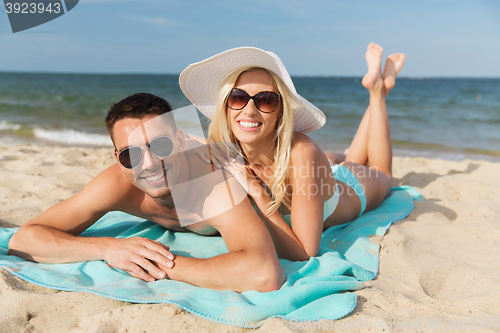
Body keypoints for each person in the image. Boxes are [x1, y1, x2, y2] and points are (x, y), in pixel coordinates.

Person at [8, 93, 285, 293]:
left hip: (282, 188)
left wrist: (157, 264)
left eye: (160, 146)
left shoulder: (213, 182)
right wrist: (109, 248)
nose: (150, 164)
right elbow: (24, 239)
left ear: (179, 140)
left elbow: (264, 273)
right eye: (131, 155)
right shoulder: (118, 183)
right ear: (118, 158)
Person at [179, 43, 406, 261]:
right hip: (318, 178)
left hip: (352, 188)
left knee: (383, 173)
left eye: (265, 100)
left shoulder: (303, 151)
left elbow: (306, 252)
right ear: (226, 106)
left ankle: (377, 91)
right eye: (238, 97)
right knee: (345, 158)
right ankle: (373, 99)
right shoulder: (222, 147)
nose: (249, 110)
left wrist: (259, 195)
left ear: (280, 111)